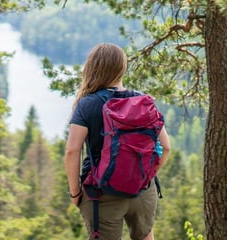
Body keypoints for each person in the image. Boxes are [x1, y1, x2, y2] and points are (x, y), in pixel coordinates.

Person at [64, 43, 171, 240]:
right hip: (142, 192)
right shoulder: (142, 101)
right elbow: (166, 147)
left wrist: (75, 193)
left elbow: (72, 150)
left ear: (92, 68)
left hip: (101, 194)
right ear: (122, 67)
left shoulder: (87, 104)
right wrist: (144, 176)